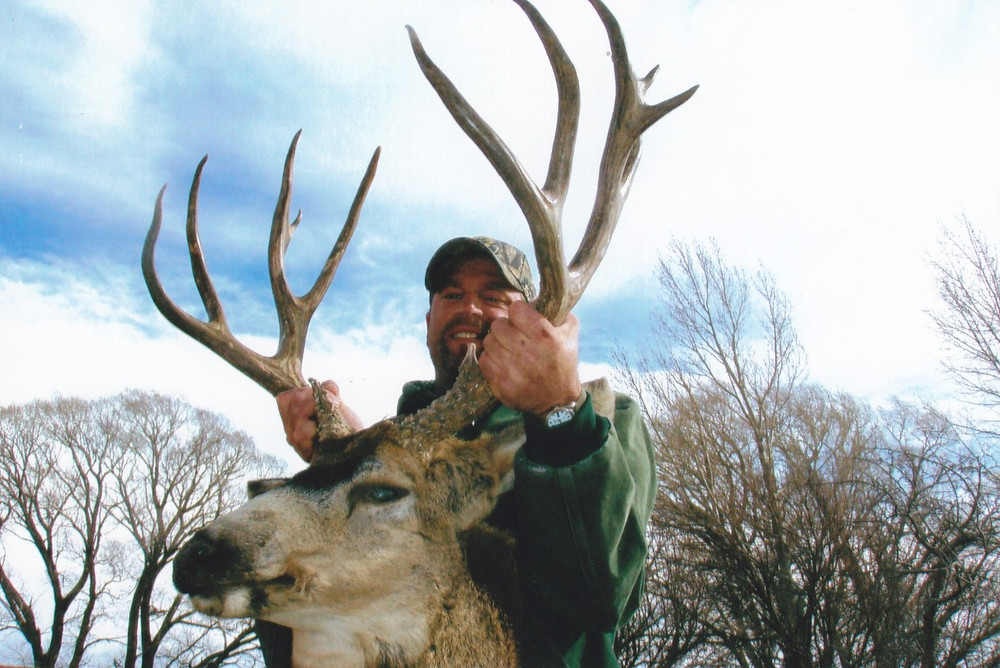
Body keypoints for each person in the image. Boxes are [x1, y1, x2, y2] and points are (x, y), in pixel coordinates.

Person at [264, 236, 656, 667]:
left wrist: (559, 415)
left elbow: (601, 597)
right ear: (428, 320)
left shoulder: (603, 420)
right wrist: (345, 458)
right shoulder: (398, 446)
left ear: (532, 320)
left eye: (493, 296)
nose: (470, 308)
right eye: (452, 295)